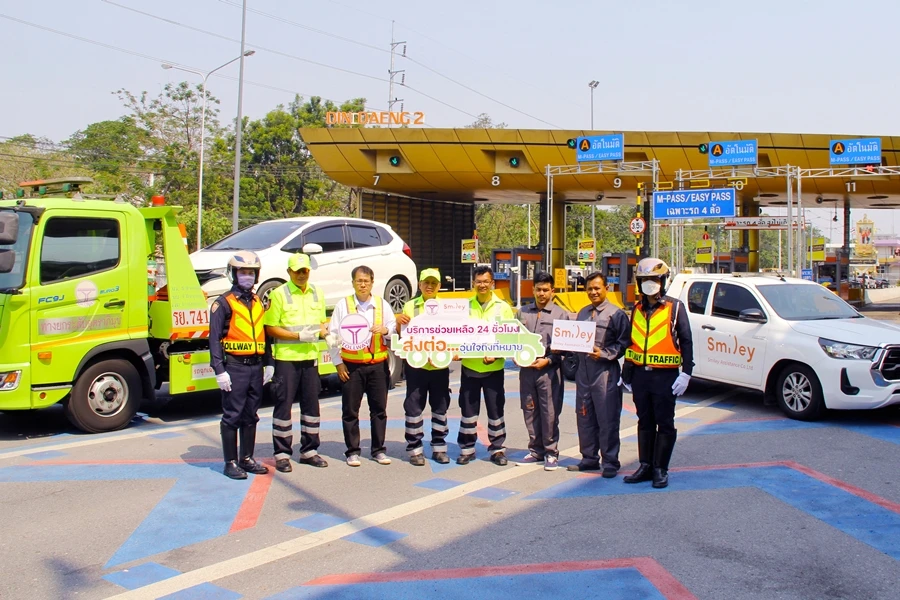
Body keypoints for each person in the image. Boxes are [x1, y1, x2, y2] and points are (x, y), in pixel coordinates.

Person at [622, 258, 694, 489]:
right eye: (645, 279)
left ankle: (660, 469)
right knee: (644, 421)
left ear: (663, 281)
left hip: (665, 377)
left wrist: (687, 373)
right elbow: (631, 342)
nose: (649, 283)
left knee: (664, 422)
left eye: (654, 279)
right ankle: (645, 465)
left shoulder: (675, 307)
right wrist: (627, 373)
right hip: (641, 376)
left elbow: (686, 341)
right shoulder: (637, 309)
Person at [209, 251, 274, 480]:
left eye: (251, 273)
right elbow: (214, 339)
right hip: (235, 367)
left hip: (255, 367)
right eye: (243, 272)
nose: (247, 276)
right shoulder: (223, 303)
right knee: (232, 416)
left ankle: (246, 458)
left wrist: (269, 363)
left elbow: (264, 334)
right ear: (233, 274)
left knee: (251, 415)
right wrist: (219, 370)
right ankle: (230, 462)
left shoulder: (258, 301)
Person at [263, 253, 328, 473]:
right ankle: (282, 454)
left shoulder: (317, 293)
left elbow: (321, 324)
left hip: (310, 358)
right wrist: (297, 336)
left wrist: (328, 334)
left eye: (305, 271)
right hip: (287, 359)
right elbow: (270, 327)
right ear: (289, 272)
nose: (301, 275)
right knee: (283, 406)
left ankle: (309, 451)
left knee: (311, 406)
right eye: (297, 271)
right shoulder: (278, 294)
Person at [329, 265, 397, 467]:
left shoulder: (382, 304)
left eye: (366, 281)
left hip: (378, 366)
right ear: (353, 283)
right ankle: (352, 451)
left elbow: (393, 330)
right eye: (359, 281)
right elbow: (332, 336)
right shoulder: (344, 305)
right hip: (352, 367)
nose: (363, 285)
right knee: (350, 411)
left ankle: (378, 450)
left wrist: (385, 330)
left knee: (379, 410)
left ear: (372, 283)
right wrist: (338, 364)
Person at [567, 272, 631, 477]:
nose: (593, 292)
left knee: (607, 418)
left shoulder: (617, 314)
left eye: (597, 288)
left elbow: (624, 344)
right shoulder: (582, 313)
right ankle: (589, 458)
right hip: (583, 373)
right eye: (589, 289)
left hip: (605, 373)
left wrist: (603, 354)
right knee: (584, 416)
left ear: (606, 288)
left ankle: (610, 461)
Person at [456, 265, 515, 466]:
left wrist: (497, 354)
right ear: (473, 283)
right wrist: (454, 350)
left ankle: (497, 449)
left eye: (486, 282)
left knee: (495, 411)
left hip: (493, 369)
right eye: (478, 282)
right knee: (468, 411)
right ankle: (467, 449)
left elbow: (509, 337)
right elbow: (455, 333)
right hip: (470, 367)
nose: (482, 285)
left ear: (492, 283)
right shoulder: (464, 307)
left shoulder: (503, 307)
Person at [395, 268, 451, 466]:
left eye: (433, 283)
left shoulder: (447, 308)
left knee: (440, 407)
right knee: (413, 408)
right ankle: (415, 450)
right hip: (417, 366)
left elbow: (454, 334)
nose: (429, 286)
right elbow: (403, 334)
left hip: (439, 367)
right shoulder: (410, 306)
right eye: (426, 282)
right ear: (419, 285)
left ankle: (439, 448)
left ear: (439, 286)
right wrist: (398, 322)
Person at [515, 271, 568, 471]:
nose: (542, 293)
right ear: (533, 290)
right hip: (527, 370)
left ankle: (551, 452)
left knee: (550, 412)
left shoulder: (561, 315)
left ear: (552, 291)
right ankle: (536, 450)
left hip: (549, 371)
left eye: (546, 290)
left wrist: (548, 360)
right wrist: (515, 355)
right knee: (529, 409)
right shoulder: (522, 312)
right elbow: (513, 339)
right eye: (538, 289)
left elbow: (566, 348)